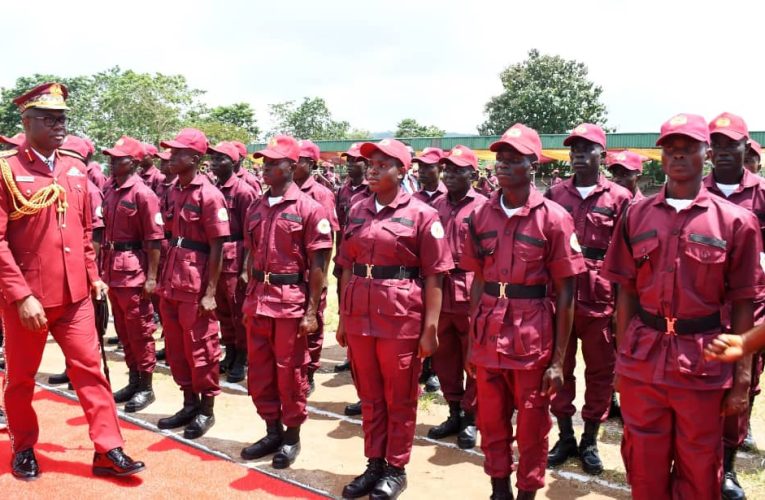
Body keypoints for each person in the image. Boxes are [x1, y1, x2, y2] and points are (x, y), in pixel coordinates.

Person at [602, 113, 760, 500]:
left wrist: (741, 379)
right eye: (670, 150)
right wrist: (623, 360)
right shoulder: (634, 215)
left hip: (703, 362)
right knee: (643, 463)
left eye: (688, 148)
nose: (678, 156)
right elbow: (626, 294)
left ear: (706, 153)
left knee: (700, 465)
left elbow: (744, 302)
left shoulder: (736, 222)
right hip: (645, 359)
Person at [0, 82, 144, 480]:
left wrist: (93, 276)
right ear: (27, 122)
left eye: (63, 119)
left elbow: (82, 232)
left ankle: (108, 450)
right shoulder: (7, 170)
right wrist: (19, 295)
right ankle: (24, 446)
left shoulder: (74, 167)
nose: (59, 125)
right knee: (21, 379)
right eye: (49, 119)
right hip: (27, 299)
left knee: (90, 369)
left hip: (76, 295)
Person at [462, 124, 584, 500]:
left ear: (533, 165)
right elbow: (478, 280)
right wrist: (471, 341)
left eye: (515, 159)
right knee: (491, 420)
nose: (504, 165)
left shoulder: (554, 217)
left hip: (532, 334)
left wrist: (559, 361)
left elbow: (566, 292)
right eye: (501, 158)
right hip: (487, 332)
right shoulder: (480, 215)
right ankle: (499, 488)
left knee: (532, 426)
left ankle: (528, 491)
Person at [336, 138, 452, 499]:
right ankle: (374, 463)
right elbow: (346, 266)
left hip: (400, 318)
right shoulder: (356, 209)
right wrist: (342, 318)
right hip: (360, 315)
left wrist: (430, 329)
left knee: (399, 397)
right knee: (369, 396)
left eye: (383, 164)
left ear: (402, 171)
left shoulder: (423, 215)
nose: (372, 169)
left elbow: (435, 274)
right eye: (370, 163)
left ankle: (395, 467)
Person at [238, 135, 332, 469]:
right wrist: (249, 292)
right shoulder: (257, 205)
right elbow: (250, 251)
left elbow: (320, 264)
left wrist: (311, 311)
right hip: (259, 301)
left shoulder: (310, 208)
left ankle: (291, 437)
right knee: (261, 372)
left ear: (291, 167)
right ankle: (271, 430)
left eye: (274, 162)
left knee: (290, 373)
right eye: (264, 162)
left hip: (290, 302)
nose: (265, 168)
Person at [544, 123, 631, 474]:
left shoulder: (620, 199)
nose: (579, 154)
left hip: (601, 299)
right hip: (560, 297)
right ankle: (564, 435)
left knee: (600, 372)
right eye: (574, 149)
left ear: (603, 156)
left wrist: (620, 311)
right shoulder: (554, 194)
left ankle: (590, 438)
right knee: (559, 367)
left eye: (587, 149)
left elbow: (627, 257)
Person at [703, 111, 765, 499]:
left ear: (747, 147)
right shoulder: (694, 189)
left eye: (732, 144)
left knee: (740, 387)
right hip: (703, 306)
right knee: (697, 386)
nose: (724, 151)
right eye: (718, 144)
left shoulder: (761, 193)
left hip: (750, 305)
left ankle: (726, 468)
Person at [157, 128, 230, 439]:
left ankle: (206, 408)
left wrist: (211, 292)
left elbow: (218, 246)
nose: (171, 157)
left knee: (202, 347)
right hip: (171, 279)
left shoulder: (209, 194)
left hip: (196, 281)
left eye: (178, 153)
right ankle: (188, 402)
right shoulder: (173, 190)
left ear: (196, 158)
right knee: (175, 347)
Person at [427, 145, 486, 450]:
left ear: (473, 174)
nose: (450, 174)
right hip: (441, 288)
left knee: (473, 356)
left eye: (457, 170)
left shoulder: (485, 207)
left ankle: (471, 416)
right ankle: (453, 411)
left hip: (472, 289)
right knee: (444, 356)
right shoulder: (434, 205)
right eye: (447, 169)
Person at [101, 136, 165, 413]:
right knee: (124, 330)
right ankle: (133, 378)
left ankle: (146, 386)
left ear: (135, 163)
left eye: (119, 158)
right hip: (114, 267)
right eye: (111, 158)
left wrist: (152, 277)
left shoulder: (143, 194)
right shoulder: (112, 190)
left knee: (140, 330)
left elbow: (154, 240)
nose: (112, 162)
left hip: (134, 270)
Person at [209, 141, 257, 383]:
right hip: (219, 256)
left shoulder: (243, 191)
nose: (214, 163)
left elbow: (252, 232)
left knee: (238, 312)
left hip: (236, 255)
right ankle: (229, 352)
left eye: (220, 159)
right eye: (213, 159)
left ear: (235, 162)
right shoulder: (214, 188)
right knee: (223, 311)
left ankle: (242, 357)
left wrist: (247, 268)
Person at [294, 139, 339, 394]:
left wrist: (320, 277)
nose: (292, 164)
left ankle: (309, 372)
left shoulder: (321, 194)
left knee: (314, 322)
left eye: (298, 160)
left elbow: (327, 240)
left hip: (312, 270)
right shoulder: (283, 190)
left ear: (310, 164)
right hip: (289, 271)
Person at [333, 143, 372, 414]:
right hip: (351, 262)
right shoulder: (344, 191)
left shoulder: (377, 192)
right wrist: (340, 258)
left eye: (356, 160)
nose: (350, 164)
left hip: (382, 278)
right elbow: (339, 228)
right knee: (349, 312)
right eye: (348, 160)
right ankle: (353, 359)